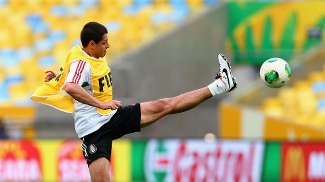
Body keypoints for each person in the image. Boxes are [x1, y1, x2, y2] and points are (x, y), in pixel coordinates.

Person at [31, 22, 237, 182]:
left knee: (164, 105)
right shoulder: (82, 62)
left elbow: (69, 74)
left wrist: (56, 76)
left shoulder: (83, 52)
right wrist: (100, 104)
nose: (108, 46)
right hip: (94, 130)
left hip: (112, 116)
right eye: (104, 42)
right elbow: (71, 86)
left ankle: (220, 85)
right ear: (92, 44)